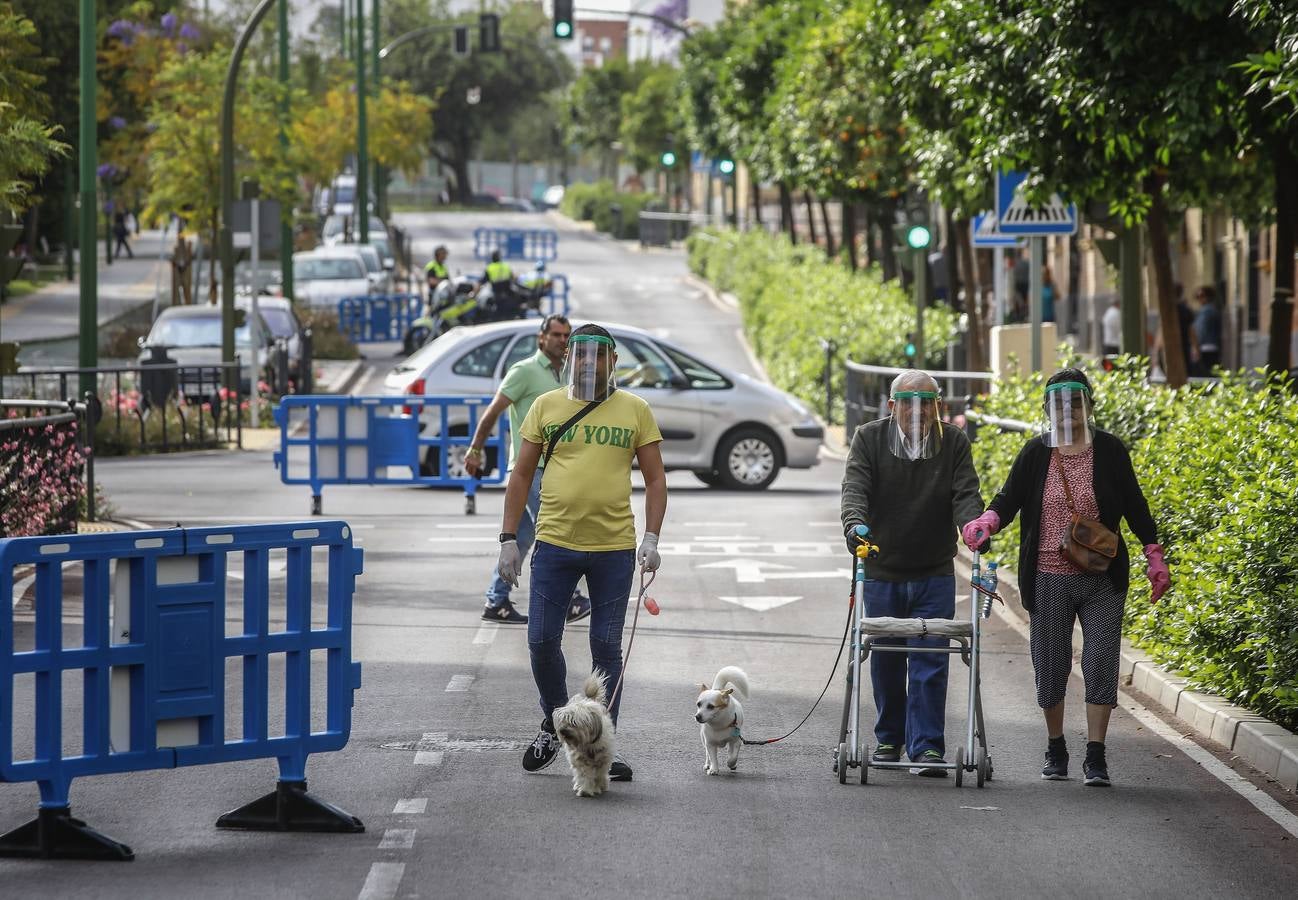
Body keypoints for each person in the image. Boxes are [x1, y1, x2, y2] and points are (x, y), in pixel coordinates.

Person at [961, 368, 1170, 787]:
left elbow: (1134, 502)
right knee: (1052, 666)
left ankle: (1096, 756)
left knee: (1100, 662)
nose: (1068, 411)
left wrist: (1153, 553)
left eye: (1076, 403)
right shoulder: (1035, 453)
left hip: (1102, 577)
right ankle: (1056, 747)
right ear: (1048, 409)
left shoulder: (1109, 450)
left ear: (1088, 406)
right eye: (1059, 404)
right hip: (1047, 577)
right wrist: (986, 520)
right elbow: (1009, 498)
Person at [498, 324, 667, 783]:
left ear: (613, 361)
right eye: (581, 355)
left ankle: (600, 742)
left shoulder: (635, 409)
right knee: (539, 641)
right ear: (570, 360)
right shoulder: (546, 406)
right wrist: (508, 538)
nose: (590, 363)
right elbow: (520, 474)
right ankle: (556, 724)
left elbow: (654, 478)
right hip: (554, 544)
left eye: (600, 356)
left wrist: (651, 537)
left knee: (605, 648)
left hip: (613, 549)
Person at [840, 370, 985, 777]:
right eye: (909, 403)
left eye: (927, 404)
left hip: (934, 569)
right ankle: (889, 737)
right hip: (883, 567)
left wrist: (973, 525)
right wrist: (854, 524)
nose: (918, 412)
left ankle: (926, 748)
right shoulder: (869, 438)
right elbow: (856, 488)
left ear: (939, 407)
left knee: (931, 657)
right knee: (885, 660)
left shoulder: (952, 441)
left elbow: (965, 493)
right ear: (893, 406)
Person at [465, 314, 589, 624]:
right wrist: (475, 449)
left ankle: (497, 601)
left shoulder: (568, 375)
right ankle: (571, 599)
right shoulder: (524, 372)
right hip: (530, 469)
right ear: (541, 337)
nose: (563, 341)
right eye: (557, 335)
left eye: (566, 336)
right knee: (558, 528)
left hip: (557, 466)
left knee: (520, 538)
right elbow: (493, 412)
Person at [1191, 285, 1222, 375]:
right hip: (1212, 347)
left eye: (1201, 296)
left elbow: (1200, 331)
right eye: (1198, 297)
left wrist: (1196, 346)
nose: (1199, 299)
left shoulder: (1206, 311)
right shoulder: (1212, 310)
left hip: (1205, 348)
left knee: (1205, 373)